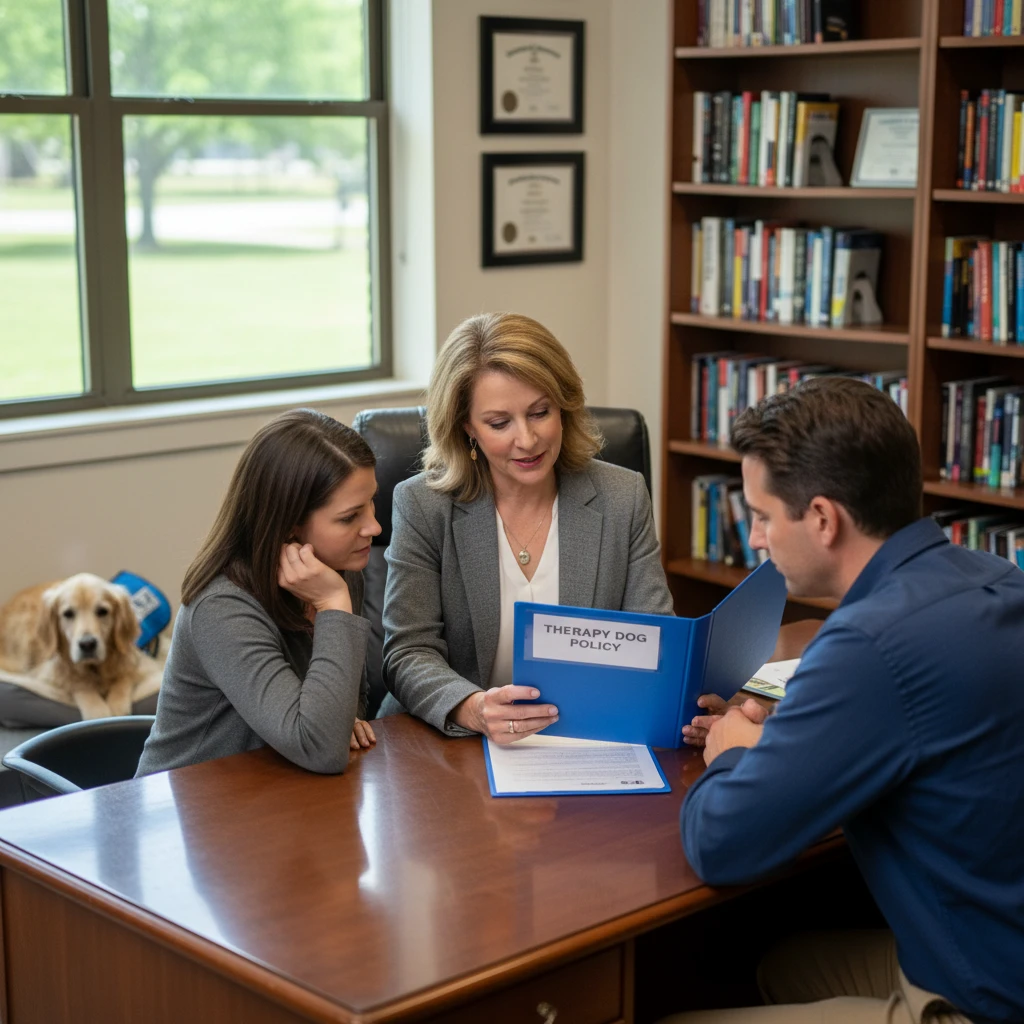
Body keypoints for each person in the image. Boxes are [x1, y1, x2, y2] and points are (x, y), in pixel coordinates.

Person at [666, 377, 1024, 1024]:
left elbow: (721, 843)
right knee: (780, 966)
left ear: (824, 519)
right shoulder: (993, 576)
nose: (757, 539)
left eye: (764, 515)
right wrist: (804, 725)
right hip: (1001, 941)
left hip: (979, 1000)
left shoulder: (868, 644)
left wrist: (736, 750)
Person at [379, 312, 674, 743]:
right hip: (449, 742)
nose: (528, 439)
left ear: (564, 406)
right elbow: (407, 652)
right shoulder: (424, 505)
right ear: (467, 428)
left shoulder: (621, 495)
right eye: (500, 423)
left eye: (540, 412)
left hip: (584, 735)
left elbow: (654, 638)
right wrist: (473, 708)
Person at [137, 409, 380, 777]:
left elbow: (345, 710)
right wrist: (333, 607)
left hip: (277, 793)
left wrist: (336, 720)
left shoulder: (340, 571)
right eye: (350, 517)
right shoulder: (221, 608)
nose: (374, 527)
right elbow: (321, 749)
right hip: (187, 811)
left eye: (372, 502)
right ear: (288, 525)